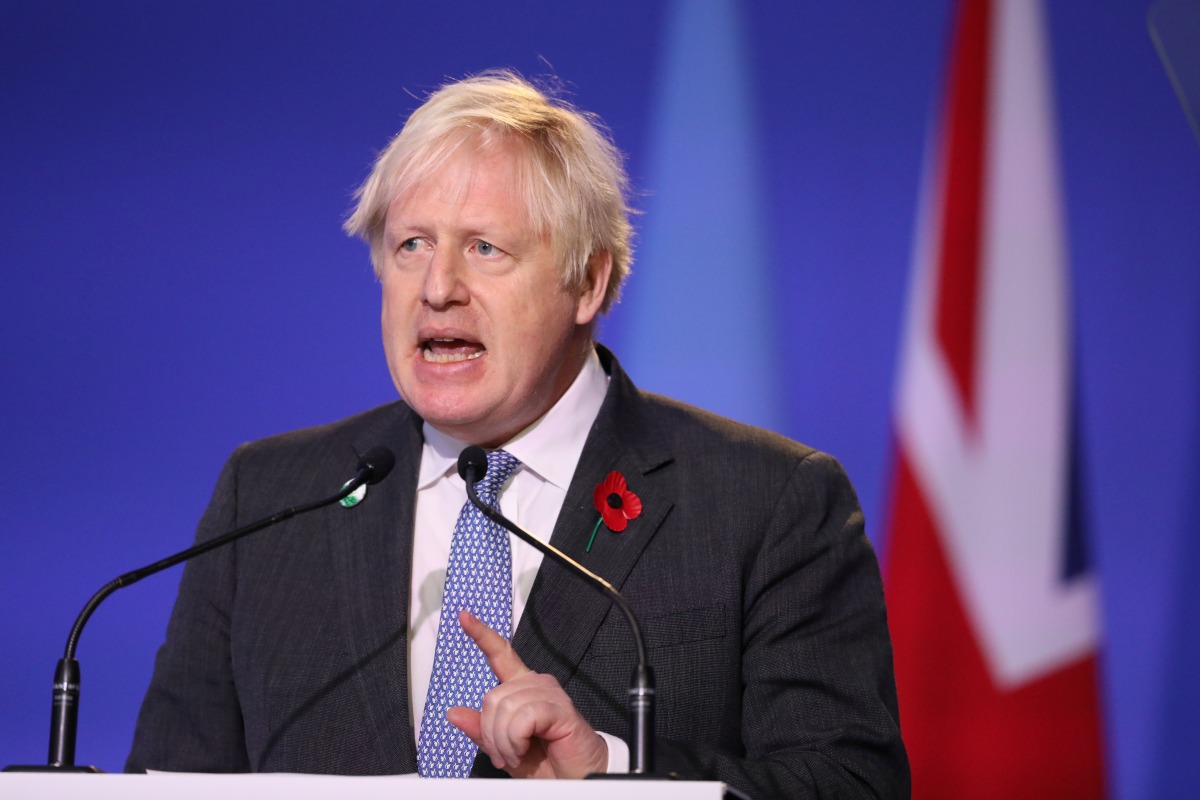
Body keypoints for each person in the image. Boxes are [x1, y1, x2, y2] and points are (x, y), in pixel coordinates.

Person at [126, 71, 909, 798]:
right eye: (411, 246)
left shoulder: (766, 504)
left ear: (588, 281)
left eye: (484, 248)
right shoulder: (269, 499)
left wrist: (611, 774)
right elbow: (168, 777)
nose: (438, 289)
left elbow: (850, 782)